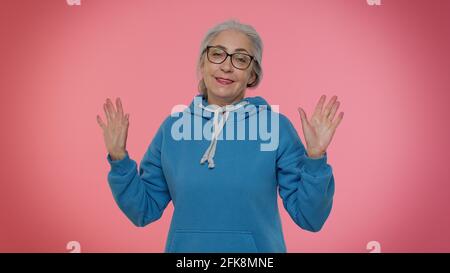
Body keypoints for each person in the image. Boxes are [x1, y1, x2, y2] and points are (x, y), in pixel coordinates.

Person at [96, 19, 344, 253]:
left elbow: (310, 218)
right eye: (217, 54)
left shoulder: (275, 128)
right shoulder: (173, 128)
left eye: (240, 59)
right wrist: (119, 159)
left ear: (252, 74)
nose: (226, 65)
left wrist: (315, 158)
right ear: (202, 63)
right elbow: (143, 209)